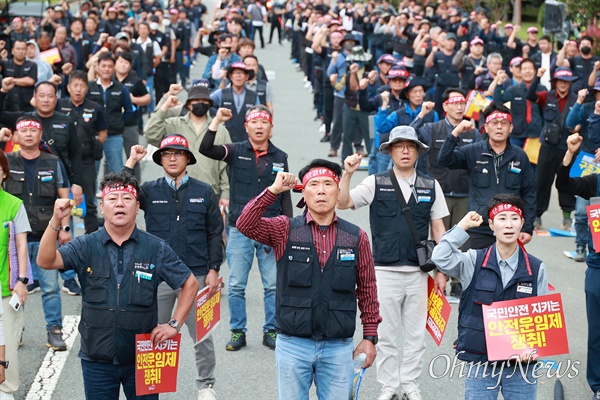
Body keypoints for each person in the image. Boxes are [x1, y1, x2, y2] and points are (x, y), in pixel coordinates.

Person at [36, 172, 199, 400]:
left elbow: (189, 283)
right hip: (97, 359)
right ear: (102, 207)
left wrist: (174, 324)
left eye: (127, 198)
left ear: (137, 206)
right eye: (113, 199)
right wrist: (55, 221)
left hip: (144, 358)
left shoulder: (156, 248)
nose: (120, 204)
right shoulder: (86, 245)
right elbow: (45, 261)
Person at [236, 159, 381, 400]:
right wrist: (273, 190)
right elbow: (245, 224)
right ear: (303, 192)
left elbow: (367, 289)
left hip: (339, 347)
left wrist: (369, 337)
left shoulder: (356, 237)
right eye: (314, 184)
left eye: (328, 184)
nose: (322, 190)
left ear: (338, 191)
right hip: (293, 345)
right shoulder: (285, 229)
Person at [337, 126, 448, 400]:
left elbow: (439, 232)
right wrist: (348, 173)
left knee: (414, 336)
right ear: (390, 151)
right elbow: (343, 202)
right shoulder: (375, 181)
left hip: (419, 274)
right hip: (383, 271)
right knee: (385, 335)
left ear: (418, 151)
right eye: (399, 146)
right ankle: (389, 386)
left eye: (410, 146)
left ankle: (410, 385)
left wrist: (443, 271)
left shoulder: (431, 185)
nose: (405, 151)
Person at [124, 136, 223, 400]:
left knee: (202, 336)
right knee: (153, 332)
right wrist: (132, 161)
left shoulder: (204, 192)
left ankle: (206, 385)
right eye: (166, 153)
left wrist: (214, 269)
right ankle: (152, 385)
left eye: (178, 154)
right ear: (160, 159)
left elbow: (215, 232)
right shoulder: (148, 190)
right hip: (159, 277)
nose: (172, 158)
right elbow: (121, 191)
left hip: (198, 274)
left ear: (187, 158)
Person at [431, 194, 548, 400]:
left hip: (521, 364)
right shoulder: (473, 261)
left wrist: (533, 347)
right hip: (480, 360)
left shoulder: (536, 268)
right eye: (502, 219)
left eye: (514, 218)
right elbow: (440, 257)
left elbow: (542, 319)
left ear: (522, 223)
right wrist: (462, 227)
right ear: (492, 225)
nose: (509, 224)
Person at [200, 105, 292, 351]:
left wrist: (289, 227)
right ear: (246, 126)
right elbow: (205, 148)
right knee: (237, 284)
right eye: (254, 122)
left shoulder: (280, 157)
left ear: (271, 128)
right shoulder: (235, 151)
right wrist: (217, 120)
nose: (259, 126)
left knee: (273, 284)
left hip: (271, 228)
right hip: (240, 227)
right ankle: (237, 331)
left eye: (264, 122)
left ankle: (271, 331)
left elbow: (284, 196)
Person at [4, 116, 71, 352]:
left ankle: (54, 331)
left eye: (34, 130)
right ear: (15, 137)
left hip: (46, 236)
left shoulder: (53, 161)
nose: (30, 134)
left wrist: (64, 228)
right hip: (13, 239)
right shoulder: (6, 160)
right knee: (13, 287)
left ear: (41, 135)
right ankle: (15, 330)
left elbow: (64, 198)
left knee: (51, 287)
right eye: (24, 130)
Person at [438, 105, 536, 249]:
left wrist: (527, 227)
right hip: (478, 227)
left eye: (504, 123)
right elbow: (444, 160)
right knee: (476, 270)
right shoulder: (474, 151)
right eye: (494, 123)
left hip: (509, 228)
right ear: (486, 127)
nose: (499, 127)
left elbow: (529, 193)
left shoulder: (520, 156)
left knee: (508, 270)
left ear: (511, 128)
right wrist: (456, 133)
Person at [556, 131, 600, 400]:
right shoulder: (596, 182)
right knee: (596, 332)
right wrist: (570, 153)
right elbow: (564, 185)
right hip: (597, 266)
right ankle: (597, 385)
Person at [145, 85, 231, 205]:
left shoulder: (220, 130)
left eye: (204, 101)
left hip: (210, 192)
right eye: (196, 100)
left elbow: (225, 165)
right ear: (189, 104)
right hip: (176, 191)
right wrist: (165, 105)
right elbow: (150, 133)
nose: (200, 103)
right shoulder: (174, 124)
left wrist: (226, 193)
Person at [527, 67, 578, 231]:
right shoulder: (546, 96)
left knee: (567, 182)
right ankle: (537, 215)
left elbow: (582, 118)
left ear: (570, 84)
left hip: (568, 148)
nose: (563, 84)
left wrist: (578, 126)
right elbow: (530, 96)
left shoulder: (577, 99)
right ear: (555, 82)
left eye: (567, 82)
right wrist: (538, 77)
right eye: (560, 81)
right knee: (542, 181)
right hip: (548, 147)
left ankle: (567, 217)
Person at [57, 70, 107, 235]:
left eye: (82, 86)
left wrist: (97, 144)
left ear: (87, 88)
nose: (78, 89)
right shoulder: (59, 105)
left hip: (86, 161)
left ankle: (91, 238)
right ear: (68, 88)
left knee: (89, 202)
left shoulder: (95, 108)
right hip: (62, 161)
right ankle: (65, 234)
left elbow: (103, 132)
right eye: (75, 85)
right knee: (63, 201)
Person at [0, 149, 30, 400]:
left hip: (6, 286)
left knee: (8, 340)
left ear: (3, 173)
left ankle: (6, 389)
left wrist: (22, 281)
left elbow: (21, 245)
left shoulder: (14, 204)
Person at [87, 52, 134, 175]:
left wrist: (119, 123)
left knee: (117, 172)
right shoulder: (90, 87)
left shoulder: (120, 88)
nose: (106, 69)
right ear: (97, 68)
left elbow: (129, 109)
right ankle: (91, 195)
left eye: (109, 66)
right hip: (93, 136)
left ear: (114, 68)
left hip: (114, 135)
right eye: (103, 66)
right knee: (91, 172)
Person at [210, 62, 259, 143]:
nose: (238, 76)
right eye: (235, 73)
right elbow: (207, 103)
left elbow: (258, 116)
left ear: (247, 77)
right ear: (230, 76)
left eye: (242, 73)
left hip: (246, 140)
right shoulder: (221, 93)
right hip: (224, 139)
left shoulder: (253, 96)